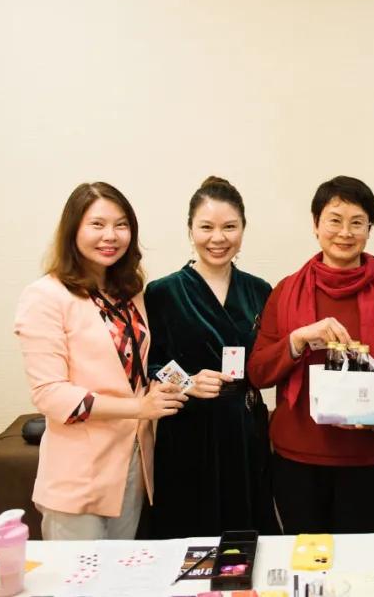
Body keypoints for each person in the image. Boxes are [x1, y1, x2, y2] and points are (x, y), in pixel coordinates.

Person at [248, 175, 374, 534]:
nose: (345, 232)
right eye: (334, 220)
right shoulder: (285, 291)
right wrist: (298, 339)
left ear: (369, 229)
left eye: (357, 222)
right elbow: (259, 372)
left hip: (368, 456)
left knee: (362, 559)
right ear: (316, 225)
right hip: (297, 455)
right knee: (303, 558)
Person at [15, 182, 186, 540]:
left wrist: (182, 383)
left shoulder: (128, 293)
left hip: (132, 465)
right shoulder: (45, 296)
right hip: (79, 473)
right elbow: (50, 395)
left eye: (121, 225)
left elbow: (135, 369)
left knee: (121, 571)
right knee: (80, 573)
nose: (111, 235)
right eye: (97, 224)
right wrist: (139, 408)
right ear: (73, 229)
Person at [144, 176, 277, 537]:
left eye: (229, 227)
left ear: (243, 229)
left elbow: (269, 358)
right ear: (190, 230)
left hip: (245, 427)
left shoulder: (259, 290)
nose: (218, 238)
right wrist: (187, 382)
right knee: (190, 533)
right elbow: (149, 363)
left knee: (245, 533)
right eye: (206, 227)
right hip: (188, 428)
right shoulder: (162, 292)